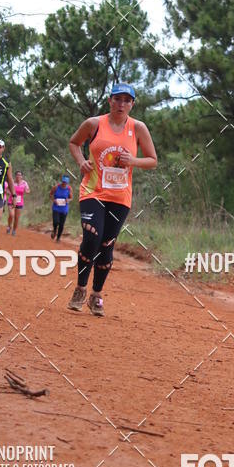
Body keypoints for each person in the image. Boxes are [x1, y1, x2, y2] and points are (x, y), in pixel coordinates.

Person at [67, 83, 157, 317]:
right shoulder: (94, 124)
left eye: (127, 100)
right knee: (92, 237)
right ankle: (80, 288)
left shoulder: (138, 128)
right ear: (110, 101)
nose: (122, 104)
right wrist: (81, 162)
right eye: (118, 99)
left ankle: (96, 295)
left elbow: (152, 160)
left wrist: (133, 161)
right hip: (92, 191)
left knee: (107, 244)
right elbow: (74, 143)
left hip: (119, 197)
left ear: (132, 104)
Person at [50, 175, 72, 242]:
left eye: (66, 182)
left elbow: (71, 198)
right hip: (56, 207)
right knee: (56, 221)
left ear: (67, 183)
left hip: (64, 208)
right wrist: (54, 200)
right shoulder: (56, 187)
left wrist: (68, 200)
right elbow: (50, 194)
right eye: (63, 182)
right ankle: (54, 230)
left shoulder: (69, 189)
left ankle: (58, 238)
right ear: (62, 181)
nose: (64, 183)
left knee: (62, 224)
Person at [6, 170, 29, 235]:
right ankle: (9, 226)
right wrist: (8, 192)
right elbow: (7, 189)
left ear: (22, 176)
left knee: (16, 217)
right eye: (17, 175)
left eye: (20, 175)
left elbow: (28, 190)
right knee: (11, 215)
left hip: (19, 202)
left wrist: (26, 191)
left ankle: (14, 230)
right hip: (12, 200)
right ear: (15, 176)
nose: (18, 176)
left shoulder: (24, 183)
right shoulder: (12, 182)